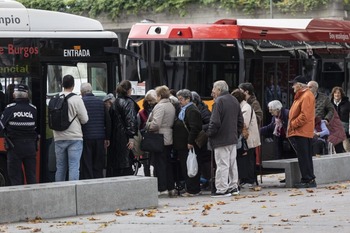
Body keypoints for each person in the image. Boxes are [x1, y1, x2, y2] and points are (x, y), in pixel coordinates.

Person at [208, 81, 243, 197]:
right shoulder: (234, 100)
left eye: (214, 88)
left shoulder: (219, 102)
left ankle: (222, 189)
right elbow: (240, 121)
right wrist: (236, 134)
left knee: (222, 164)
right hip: (232, 138)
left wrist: (210, 133)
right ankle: (233, 187)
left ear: (218, 89)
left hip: (221, 139)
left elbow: (215, 122)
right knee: (233, 164)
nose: (212, 91)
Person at [0, 84, 37, 185]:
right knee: (31, 176)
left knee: (15, 177)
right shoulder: (33, 109)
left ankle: (18, 200)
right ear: (27, 95)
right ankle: (33, 199)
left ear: (14, 95)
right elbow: (36, 127)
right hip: (30, 147)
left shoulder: (10, 109)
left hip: (14, 147)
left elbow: (1, 126)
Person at [54, 75, 89, 181]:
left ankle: (59, 191)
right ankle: (72, 193)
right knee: (74, 167)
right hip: (74, 138)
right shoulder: (76, 99)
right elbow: (85, 119)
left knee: (60, 168)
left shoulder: (55, 98)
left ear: (62, 85)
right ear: (73, 86)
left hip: (58, 137)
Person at [146, 86, 176, 196]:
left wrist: (147, 125)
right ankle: (171, 187)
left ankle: (162, 188)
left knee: (160, 165)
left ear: (159, 96)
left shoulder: (160, 107)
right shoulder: (171, 105)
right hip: (169, 137)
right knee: (167, 164)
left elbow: (155, 125)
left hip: (159, 138)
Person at [287, 75, 316, 188]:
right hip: (301, 131)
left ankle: (308, 179)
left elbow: (304, 115)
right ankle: (308, 178)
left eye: (294, 84)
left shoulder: (306, 96)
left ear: (299, 85)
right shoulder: (302, 95)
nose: (293, 86)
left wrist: (293, 124)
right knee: (304, 156)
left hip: (301, 131)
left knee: (304, 156)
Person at [173, 89, 202, 197]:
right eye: (179, 99)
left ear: (188, 98)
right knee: (186, 166)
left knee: (191, 165)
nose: (179, 101)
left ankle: (193, 189)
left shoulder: (191, 110)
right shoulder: (185, 109)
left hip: (189, 144)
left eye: (181, 99)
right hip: (182, 144)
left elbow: (194, 128)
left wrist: (190, 141)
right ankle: (190, 188)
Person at [107, 80, 139, 176]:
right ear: (129, 90)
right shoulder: (128, 103)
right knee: (126, 163)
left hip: (115, 137)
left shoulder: (115, 102)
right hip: (124, 137)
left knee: (117, 164)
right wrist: (131, 137)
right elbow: (131, 120)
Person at [80, 83, 111, 179]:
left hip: (86, 137)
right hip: (100, 138)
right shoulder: (101, 103)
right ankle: (98, 182)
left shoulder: (81, 103)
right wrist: (107, 138)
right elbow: (108, 121)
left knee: (87, 163)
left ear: (82, 93)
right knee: (98, 164)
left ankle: (88, 183)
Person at [231, 89, 260, 187]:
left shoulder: (246, 108)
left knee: (249, 160)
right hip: (247, 138)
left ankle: (249, 180)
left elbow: (244, 124)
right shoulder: (243, 106)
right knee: (246, 159)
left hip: (249, 138)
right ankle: (246, 179)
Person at [307, 81, 345, 153]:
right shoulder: (305, 98)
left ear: (316, 88)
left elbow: (331, 110)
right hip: (308, 125)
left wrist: (327, 119)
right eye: (307, 87)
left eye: (310, 87)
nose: (307, 89)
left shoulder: (324, 98)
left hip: (320, 124)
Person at [191, 91, 212, 190]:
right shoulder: (200, 109)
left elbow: (209, 123)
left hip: (203, 140)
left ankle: (208, 180)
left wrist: (198, 128)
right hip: (199, 140)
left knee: (204, 161)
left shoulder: (204, 111)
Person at [138, 89, 157, 177]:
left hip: (150, 138)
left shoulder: (143, 112)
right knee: (147, 162)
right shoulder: (142, 113)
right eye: (148, 101)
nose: (149, 103)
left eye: (150, 100)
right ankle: (148, 177)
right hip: (148, 139)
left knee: (151, 162)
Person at [330, 86, 350, 152]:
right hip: (333, 125)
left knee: (342, 134)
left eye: (339, 93)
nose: (337, 94)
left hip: (344, 125)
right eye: (335, 93)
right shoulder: (329, 104)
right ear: (333, 94)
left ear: (341, 94)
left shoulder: (347, 103)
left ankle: (348, 152)